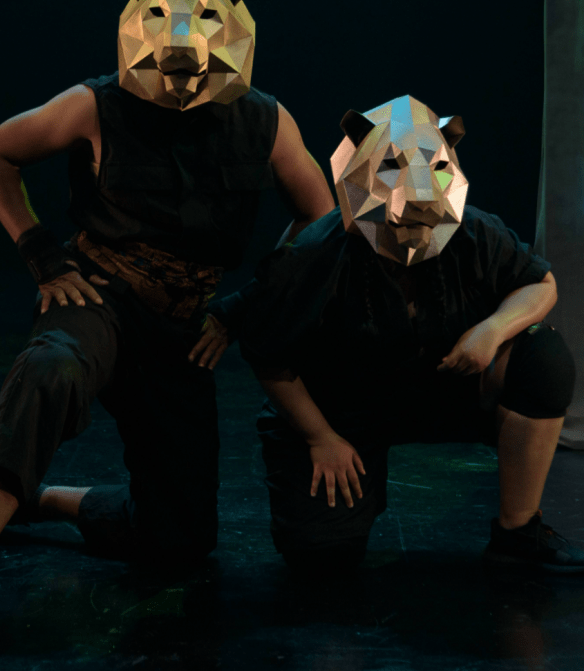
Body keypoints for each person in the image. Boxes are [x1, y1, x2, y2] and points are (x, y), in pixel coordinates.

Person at [0, 0, 335, 653]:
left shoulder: (266, 122)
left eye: (204, 21)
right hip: (99, 295)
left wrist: (243, 304)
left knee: (180, 541)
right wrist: (42, 256)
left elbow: (320, 220)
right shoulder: (95, 106)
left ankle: (41, 501)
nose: (182, 51)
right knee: (50, 368)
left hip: (184, 326)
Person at [234, 95, 580, 573]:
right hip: (344, 412)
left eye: (434, 168)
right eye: (392, 168)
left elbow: (541, 284)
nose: (418, 193)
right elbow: (269, 355)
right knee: (320, 555)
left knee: (543, 356)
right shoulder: (318, 251)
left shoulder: (475, 232)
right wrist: (320, 437)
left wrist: (492, 329)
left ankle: (517, 530)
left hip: (445, 386)